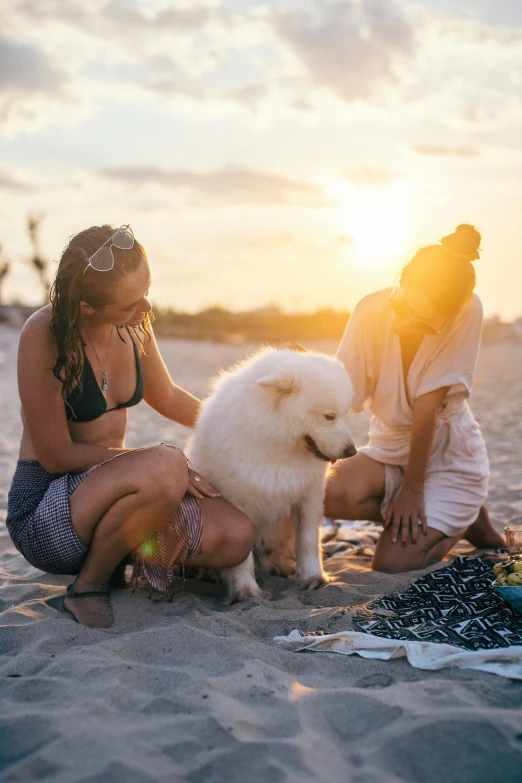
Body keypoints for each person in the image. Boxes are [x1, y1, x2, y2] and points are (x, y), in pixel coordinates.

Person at [6, 224, 254, 628]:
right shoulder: (44, 334)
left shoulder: (137, 322)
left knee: (236, 534)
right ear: (87, 306)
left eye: (147, 289)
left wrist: (236, 428)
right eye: (128, 304)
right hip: (48, 509)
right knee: (167, 464)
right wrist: (157, 464)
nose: (145, 308)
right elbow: (56, 456)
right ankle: (88, 586)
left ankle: (122, 551)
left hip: (123, 496)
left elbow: (168, 396)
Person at [325, 224, 505, 572]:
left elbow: (428, 409)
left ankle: (461, 516)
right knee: (323, 493)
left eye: (424, 323)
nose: (407, 323)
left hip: (447, 455)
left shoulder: (467, 309)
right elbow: (340, 389)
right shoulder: (369, 309)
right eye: (403, 307)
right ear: (402, 277)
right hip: (390, 447)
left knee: (390, 564)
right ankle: (461, 517)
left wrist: (413, 490)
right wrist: (302, 374)